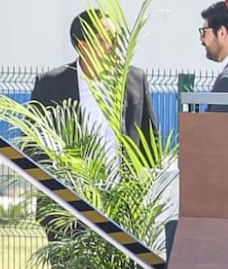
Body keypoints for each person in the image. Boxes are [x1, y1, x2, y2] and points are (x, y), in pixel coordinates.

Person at [30, 9, 159, 162]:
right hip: (71, 185)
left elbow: (150, 144)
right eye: (109, 38)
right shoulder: (50, 85)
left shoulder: (134, 80)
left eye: (118, 37)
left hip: (126, 185)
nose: (116, 45)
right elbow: (33, 145)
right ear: (84, 46)